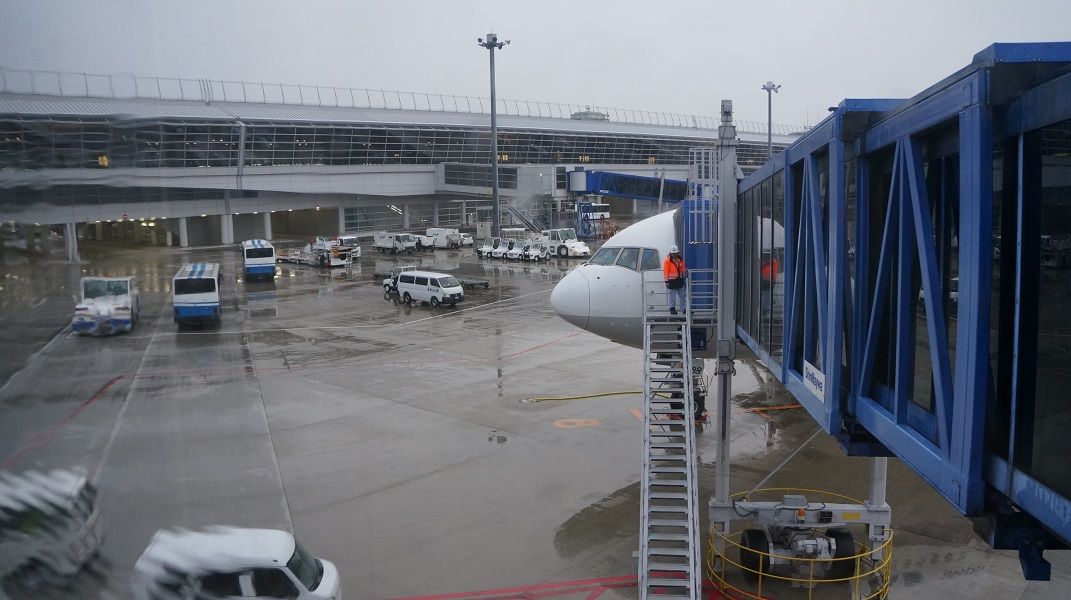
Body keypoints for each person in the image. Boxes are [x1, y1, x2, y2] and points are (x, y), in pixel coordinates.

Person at [662, 245, 687, 314]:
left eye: (675, 253)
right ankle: (672, 309)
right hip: (671, 281)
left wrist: (684, 276)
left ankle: (684, 309)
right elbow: (666, 272)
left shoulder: (681, 260)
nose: (674, 254)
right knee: (672, 297)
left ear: (678, 253)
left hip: (679, 280)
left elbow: (683, 269)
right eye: (673, 253)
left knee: (682, 296)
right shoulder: (667, 261)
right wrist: (666, 281)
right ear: (670, 253)